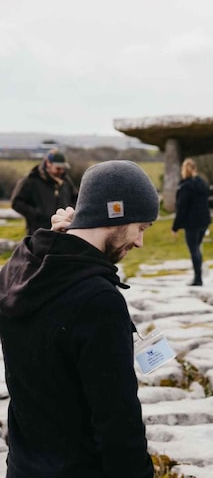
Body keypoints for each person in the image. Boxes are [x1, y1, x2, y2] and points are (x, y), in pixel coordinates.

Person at [0, 160, 160, 478]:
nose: (140, 242)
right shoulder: (98, 301)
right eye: (140, 227)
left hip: (24, 467)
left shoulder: (20, 270)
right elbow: (117, 422)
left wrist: (67, 236)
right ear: (117, 214)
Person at [10, 148, 78, 236]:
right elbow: (16, 202)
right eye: (58, 168)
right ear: (48, 163)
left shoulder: (66, 181)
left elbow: (76, 198)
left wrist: (69, 215)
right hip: (38, 233)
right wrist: (37, 215)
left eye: (63, 168)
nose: (61, 171)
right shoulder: (30, 180)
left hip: (62, 232)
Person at [172, 158, 212, 286]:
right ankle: (198, 275)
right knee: (197, 248)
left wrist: (175, 227)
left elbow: (181, 208)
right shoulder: (202, 184)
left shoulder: (185, 187)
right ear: (195, 169)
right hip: (204, 221)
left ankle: (198, 278)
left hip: (191, 223)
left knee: (194, 249)